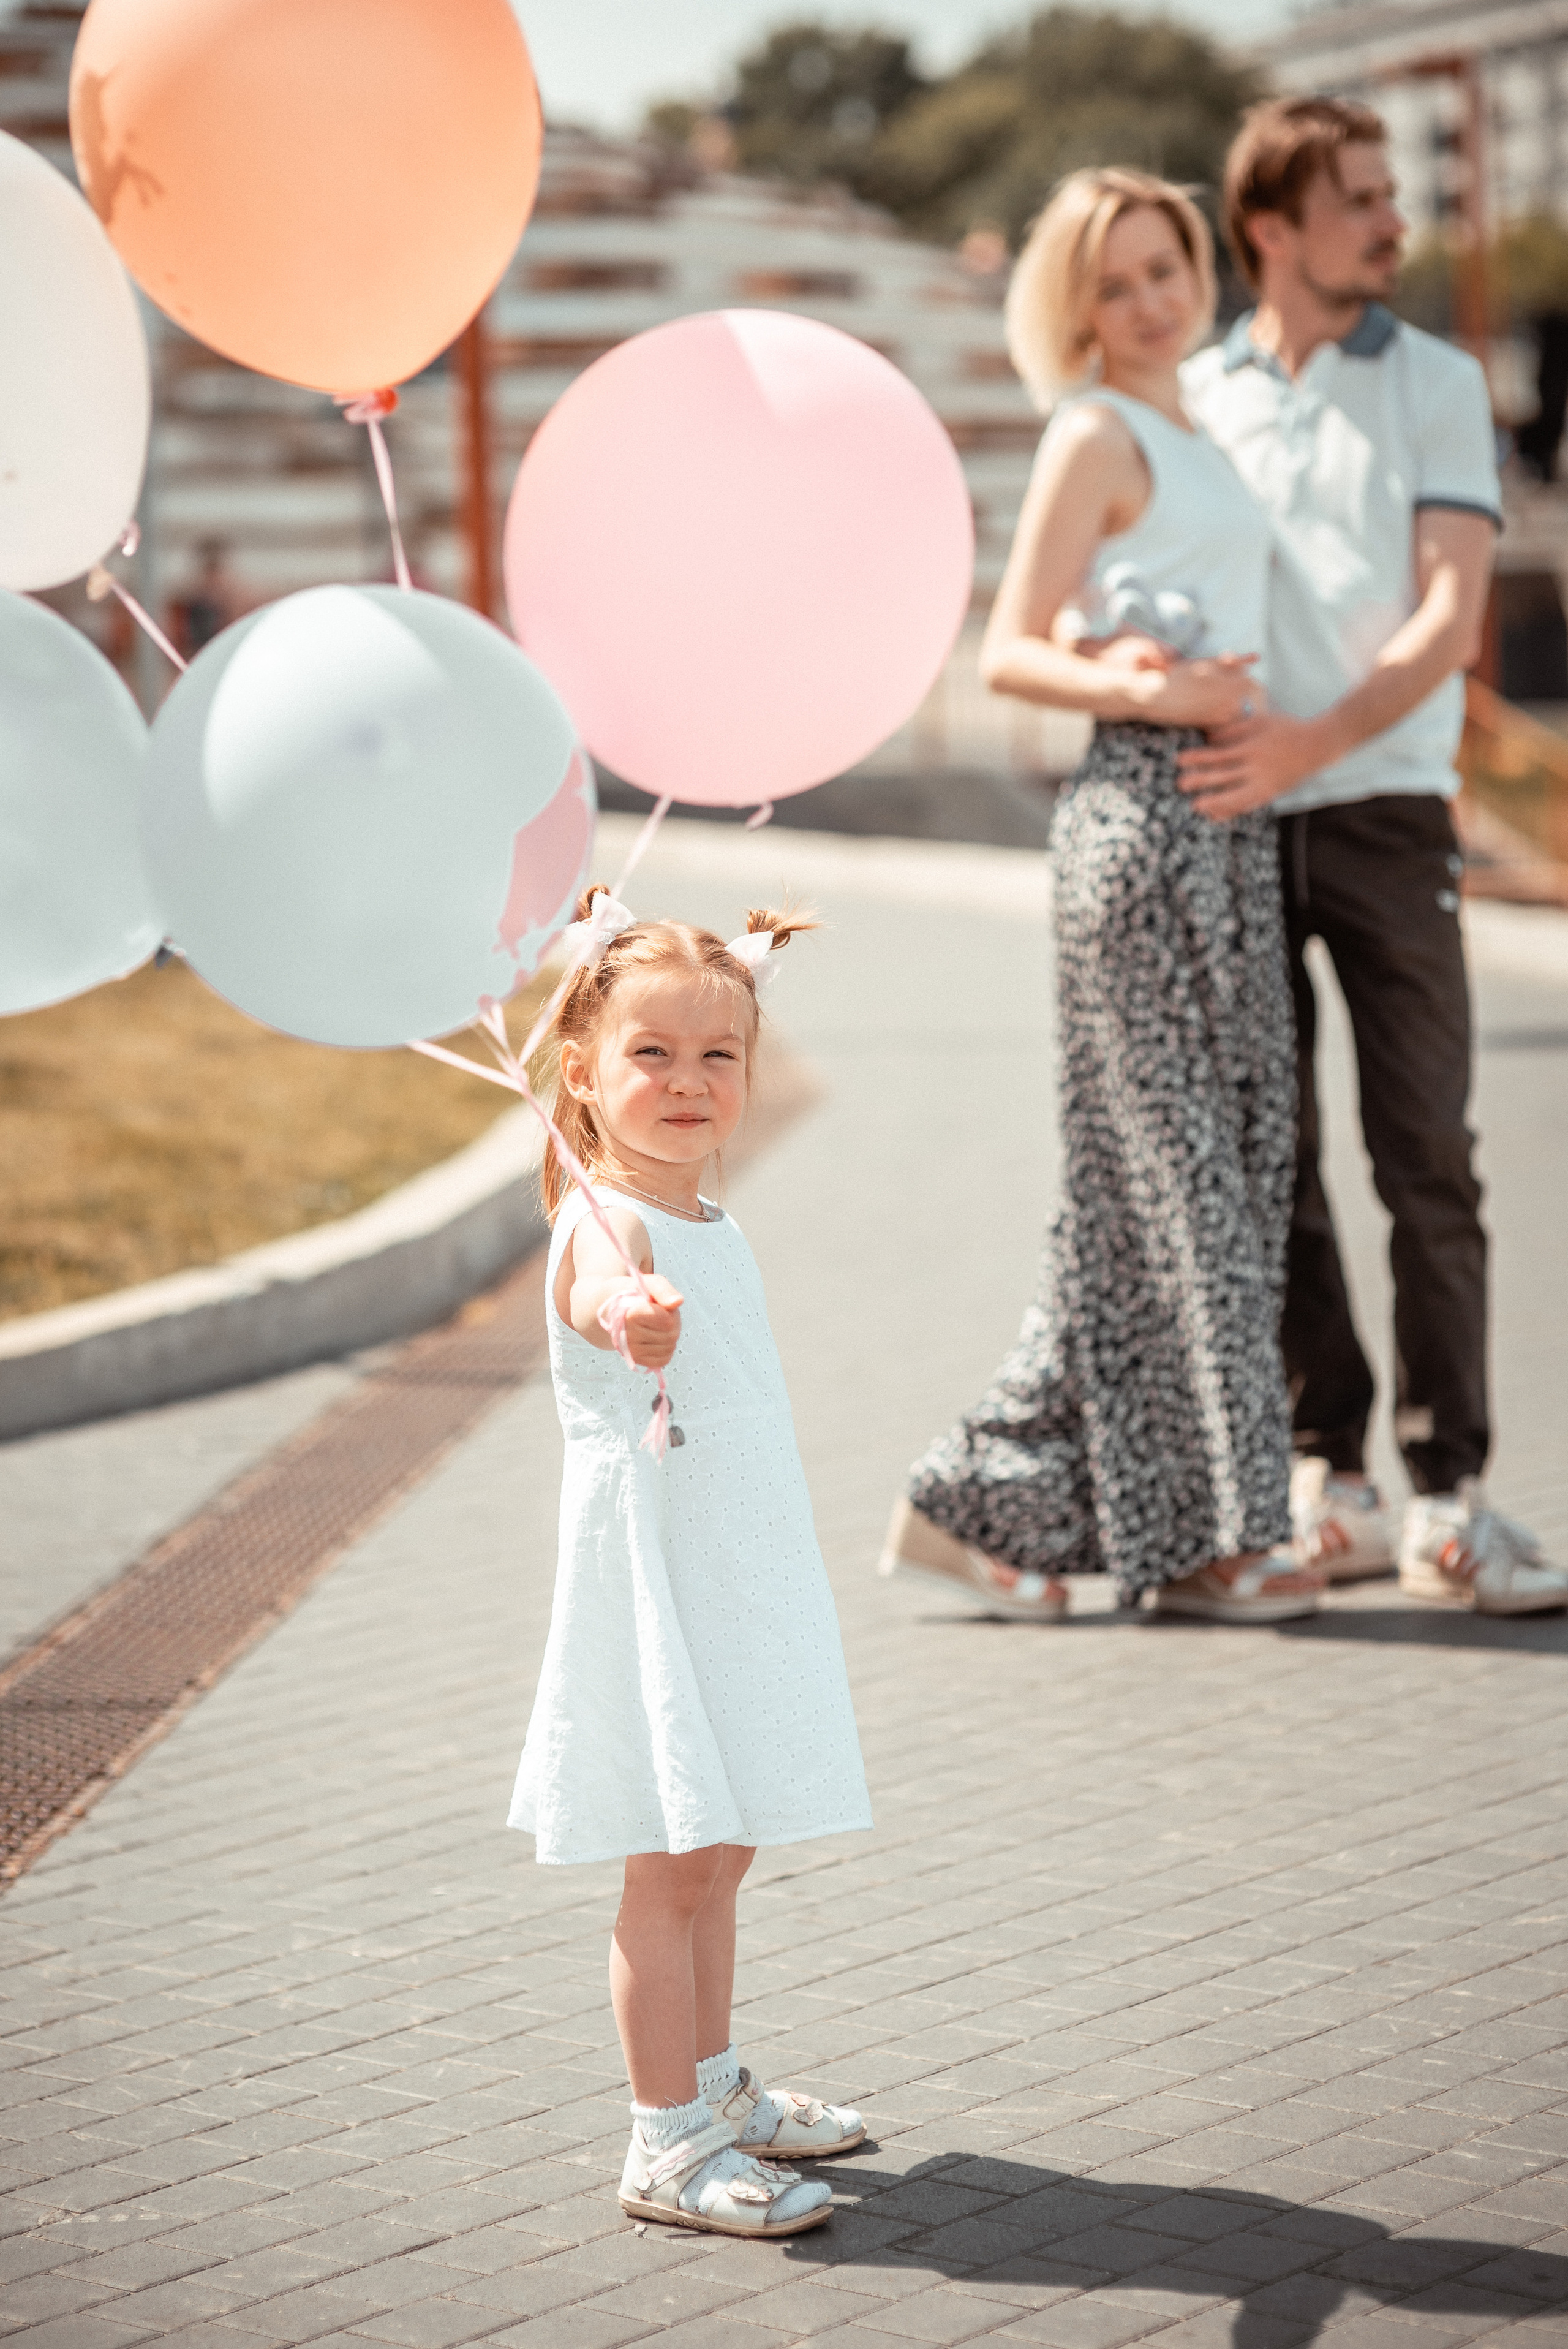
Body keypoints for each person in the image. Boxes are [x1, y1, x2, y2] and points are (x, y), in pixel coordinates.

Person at [879, 168, 1323, 1626]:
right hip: (1139, 827)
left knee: (1191, 1193)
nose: (1147, 299)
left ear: (1199, 268)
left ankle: (975, 1497)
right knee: (1176, 1190)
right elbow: (1008, 649)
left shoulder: (1198, 420)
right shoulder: (1096, 428)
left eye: (1163, 267)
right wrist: (1155, 686)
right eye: (1114, 282)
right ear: (1075, 309)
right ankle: (1203, 1543)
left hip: (1230, 836)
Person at [1182, 96, 1568, 1614]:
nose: (1389, 221)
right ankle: (1324, 1477)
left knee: (1425, 1155)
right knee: (1272, 1160)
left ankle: (1450, 1496)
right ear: (1270, 229)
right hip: (1226, 813)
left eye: (1387, 193)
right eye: (1355, 198)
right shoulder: (1193, 388)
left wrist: (1310, 743)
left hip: (1386, 805)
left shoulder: (1438, 382)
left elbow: (1442, 617)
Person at [508, 888, 873, 2236]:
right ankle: (661, 2139)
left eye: (716, 1056)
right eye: (649, 1054)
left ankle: (715, 2087)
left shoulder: (714, 1221)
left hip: (733, 1572)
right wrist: (630, 1318)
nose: (685, 1081)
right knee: (667, 1864)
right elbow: (604, 1296)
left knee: (722, 1848)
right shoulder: (610, 1226)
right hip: (654, 1588)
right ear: (585, 1081)